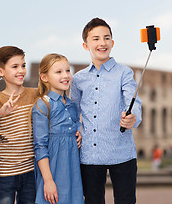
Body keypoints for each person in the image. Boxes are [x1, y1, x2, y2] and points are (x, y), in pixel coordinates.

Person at [70, 18, 142, 204]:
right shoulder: (78, 79)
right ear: (86, 45)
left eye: (106, 38)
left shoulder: (125, 73)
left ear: (112, 42)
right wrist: (76, 128)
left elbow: (133, 102)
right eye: (95, 39)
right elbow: (73, 111)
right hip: (90, 154)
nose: (102, 43)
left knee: (126, 200)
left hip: (122, 151)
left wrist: (133, 117)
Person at [0, 46, 38, 204]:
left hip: (31, 171)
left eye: (23, 65)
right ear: (0, 72)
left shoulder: (35, 94)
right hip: (5, 172)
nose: (21, 70)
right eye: (15, 67)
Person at [32, 53, 84, 204]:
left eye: (68, 70)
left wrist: (78, 132)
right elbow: (40, 146)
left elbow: (73, 127)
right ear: (44, 77)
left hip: (72, 169)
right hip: (53, 170)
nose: (66, 75)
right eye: (58, 72)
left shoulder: (71, 105)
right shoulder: (43, 105)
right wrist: (48, 181)